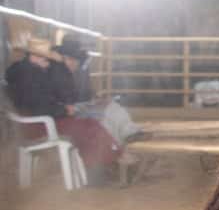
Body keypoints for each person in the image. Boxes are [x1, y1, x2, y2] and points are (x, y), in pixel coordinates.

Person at [5, 37, 124, 180]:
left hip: (32, 123)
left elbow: (39, 103)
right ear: (35, 57)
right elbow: (40, 106)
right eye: (46, 60)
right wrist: (64, 110)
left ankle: (102, 164)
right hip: (38, 125)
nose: (48, 64)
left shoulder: (24, 73)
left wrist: (61, 108)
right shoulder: (30, 76)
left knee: (88, 123)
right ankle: (97, 170)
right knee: (89, 126)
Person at [51, 34, 146, 146]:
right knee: (106, 115)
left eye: (75, 59)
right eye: (69, 59)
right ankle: (121, 142)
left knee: (111, 106)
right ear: (62, 58)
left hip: (75, 106)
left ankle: (128, 133)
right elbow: (67, 98)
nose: (73, 63)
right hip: (68, 110)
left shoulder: (72, 72)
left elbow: (82, 93)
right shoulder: (58, 73)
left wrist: (94, 98)